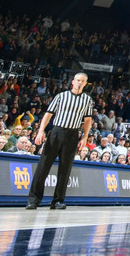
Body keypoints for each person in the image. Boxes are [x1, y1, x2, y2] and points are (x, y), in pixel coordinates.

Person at [27, 72, 94, 210]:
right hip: (57, 132)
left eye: (82, 81)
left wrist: (84, 137)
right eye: (77, 80)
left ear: (85, 83)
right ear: (73, 82)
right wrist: (41, 131)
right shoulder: (61, 96)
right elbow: (48, 114)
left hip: (73, 134)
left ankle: (57, 200)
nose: (79, 82)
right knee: (43, 166)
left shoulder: (87, 100)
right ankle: (34, 200)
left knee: (65, 169)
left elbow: (87, 120)